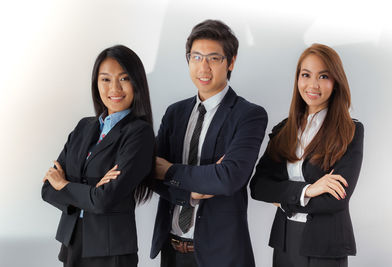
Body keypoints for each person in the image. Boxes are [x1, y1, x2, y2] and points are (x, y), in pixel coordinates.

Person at [150, 19, 268, 267]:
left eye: (213, 58)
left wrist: (169, 170)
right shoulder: (175, 113)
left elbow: (228, 178)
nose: (203, 67)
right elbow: (150, 172)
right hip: (171, 250)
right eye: (196, 57)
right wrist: (191, 190)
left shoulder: (249, 115)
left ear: (231, 62)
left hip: (221, 255)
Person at [250, 43, 364, 267]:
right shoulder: (284, 130)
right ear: (297, 79)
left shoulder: (350, 131)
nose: (313, 84)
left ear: (336, 81)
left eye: (323, 76)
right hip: (285, 241)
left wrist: (283, 200)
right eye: (306, 75)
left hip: (325, 246)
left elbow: (335, 199)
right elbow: (258, 186)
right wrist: (308, 190)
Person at [41, 45, 155, 267]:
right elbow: (47, 189)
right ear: (96, 84)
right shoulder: (84, 127)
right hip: (73, 243)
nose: (115, 88)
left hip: (111, 252)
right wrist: (91, 193)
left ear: (136, 83)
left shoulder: (139, 133)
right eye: (105, 79)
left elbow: (104, 201)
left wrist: (65, 184)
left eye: (124, 78)